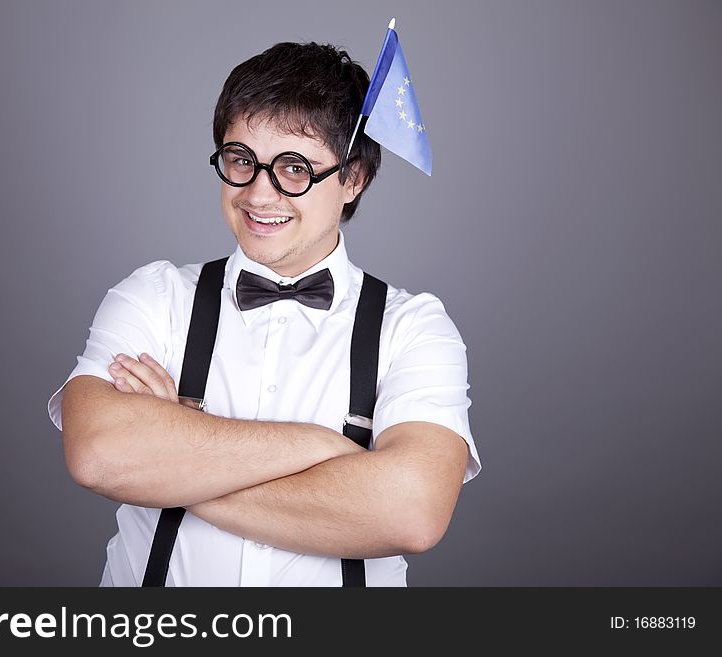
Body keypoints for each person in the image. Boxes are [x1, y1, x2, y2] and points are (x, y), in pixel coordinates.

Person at [47, 41, 481, 586]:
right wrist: (323, 449)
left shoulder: (414, 328)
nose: (259, 192)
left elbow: (412, 514)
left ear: (352, 179)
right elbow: (99, 454)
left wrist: (176, 455)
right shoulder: (153, 297)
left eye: (295, 168)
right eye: (240, 160)